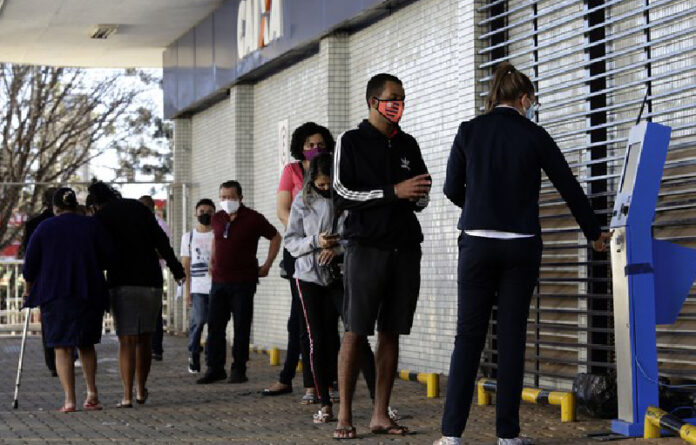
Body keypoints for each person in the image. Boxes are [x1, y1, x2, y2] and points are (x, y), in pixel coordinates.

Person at [434, 62, 611, 445]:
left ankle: (451, 436)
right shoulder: (534, 135)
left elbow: (450, 187)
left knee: (468, 337)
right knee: (512, 338)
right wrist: (594, 234)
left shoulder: (469, 131)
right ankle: (508, 437)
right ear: (525, 99)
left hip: (477, 243)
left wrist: (478, 206)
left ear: (495, 96)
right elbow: (568, 185)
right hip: (520, 245)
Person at [332, 73, 431, 439]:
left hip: (404, 248)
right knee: (356, 331)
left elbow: (418, 195)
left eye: (402, 97)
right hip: (366, 247)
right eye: (392, 97)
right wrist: (393, 191)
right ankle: (344, 414)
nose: (398, 104)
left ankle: (379, 414)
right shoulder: (351, 141)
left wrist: (419, 193)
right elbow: (341, 193)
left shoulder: (408, 143)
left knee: (392, 332)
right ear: (373, 100)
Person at [87, 181, 185, 408]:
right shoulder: (138, 208)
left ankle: (126, 395)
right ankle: (141, 390)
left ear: (95, 204)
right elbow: (162, 241)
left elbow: (98, 251)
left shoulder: (101, 217)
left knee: (126, 340)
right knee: (145, 339)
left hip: (122, 281)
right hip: (150, 280)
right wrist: (177, 270)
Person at [263, 122, 336, 404]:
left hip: (332, 251)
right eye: (308, 144)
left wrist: (331, 243)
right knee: (303, 321)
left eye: (319, 144)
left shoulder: (335, 169)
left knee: (330, 322)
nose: (314, 149)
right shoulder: (292, 172)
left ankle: (328, 379)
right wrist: (311, 238)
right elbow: (284, 211)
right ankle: (305, 382)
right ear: (299, 147)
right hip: (303, 252)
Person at [22, 187, 113, 412]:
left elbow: (30, 265)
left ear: (55, 208)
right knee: (86, 344)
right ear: (75, 206)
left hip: (55, 292)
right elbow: (109, 256)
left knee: (61, 347)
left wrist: (28, 288)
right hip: (89, 290)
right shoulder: (92, 225)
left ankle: (69, 399)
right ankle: (92, 393)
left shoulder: (44, 227)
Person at [197, 180, 282, 384]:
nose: (227, 201)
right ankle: (215, 368)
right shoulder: (217, 218)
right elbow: (216, 240)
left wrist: (267, 264)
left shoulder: (253, 218)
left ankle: (239, 369)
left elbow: (275, 237)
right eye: (223, 197)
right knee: (215, 327)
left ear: (240, 198)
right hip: (219, 281)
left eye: (231, 197)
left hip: (244, 282)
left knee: (241, 327)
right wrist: (212, 261)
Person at [21, 187, 58, 377]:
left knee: (48, 320)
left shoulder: (33, 223)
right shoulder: (67, 221)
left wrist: (28, 285)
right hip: (66, 275)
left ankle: (52, 362)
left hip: (43, 278)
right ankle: (66, 355)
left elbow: (28, 255)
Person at [180, 198, 216, 373]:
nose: (205, 214)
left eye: (209, 211)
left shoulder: (218, 234)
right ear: (196, 213)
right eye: (202, 211)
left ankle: (210, 358)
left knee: (215, 324)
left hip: (217, 286)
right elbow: (186, 265)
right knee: (199, 321)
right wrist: (187, 291)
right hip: (198, 287)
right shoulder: (188, 237)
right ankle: (193, 353)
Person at [139, 195, 171, 362]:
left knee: (155, 314)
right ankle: (143, 347)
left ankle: (156, 348)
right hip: (138, 275)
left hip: (154, 274)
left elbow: (164, 250)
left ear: (151, 208)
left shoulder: (161, 225)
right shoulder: (136, 225)